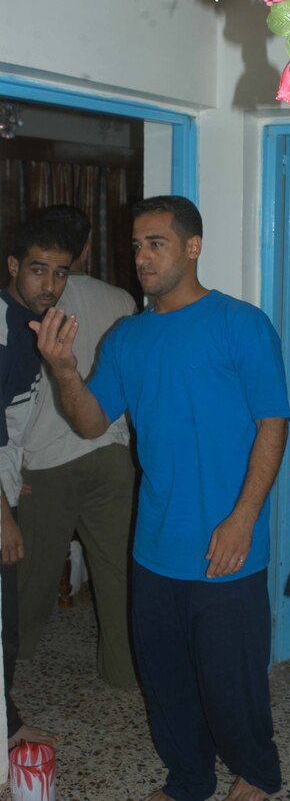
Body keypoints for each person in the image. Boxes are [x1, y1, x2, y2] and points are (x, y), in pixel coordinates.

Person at [30, 195, 290, 801]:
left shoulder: (241, 324)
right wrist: (64, 370)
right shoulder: (128, 336)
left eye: (156, 244)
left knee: (231, 679)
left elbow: (273, 424)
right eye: (136, 246)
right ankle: (189, 778)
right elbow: (91, 423)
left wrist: (243, 518)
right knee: (166, 679)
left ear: (193, 247)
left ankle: (257, 772)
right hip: (153, 545)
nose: (142, 257)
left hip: (227, 543)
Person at [17, 205, 137, 689]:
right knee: (118, 575)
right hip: (112, 455)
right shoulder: (121, 298)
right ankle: (124, 672)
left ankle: (13, 667)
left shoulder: (30, 302)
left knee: (30, 578)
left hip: (44, 464)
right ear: (89, 246)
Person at [0, 215, 77, 749]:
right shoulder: (6, 329)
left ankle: (5, 721)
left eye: (60, 272)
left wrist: (13, 472)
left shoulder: (30, 325)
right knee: (4, 623)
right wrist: (2, 515)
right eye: (37, 270)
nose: (49, 284)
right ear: (13, 266)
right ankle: (7, 728)